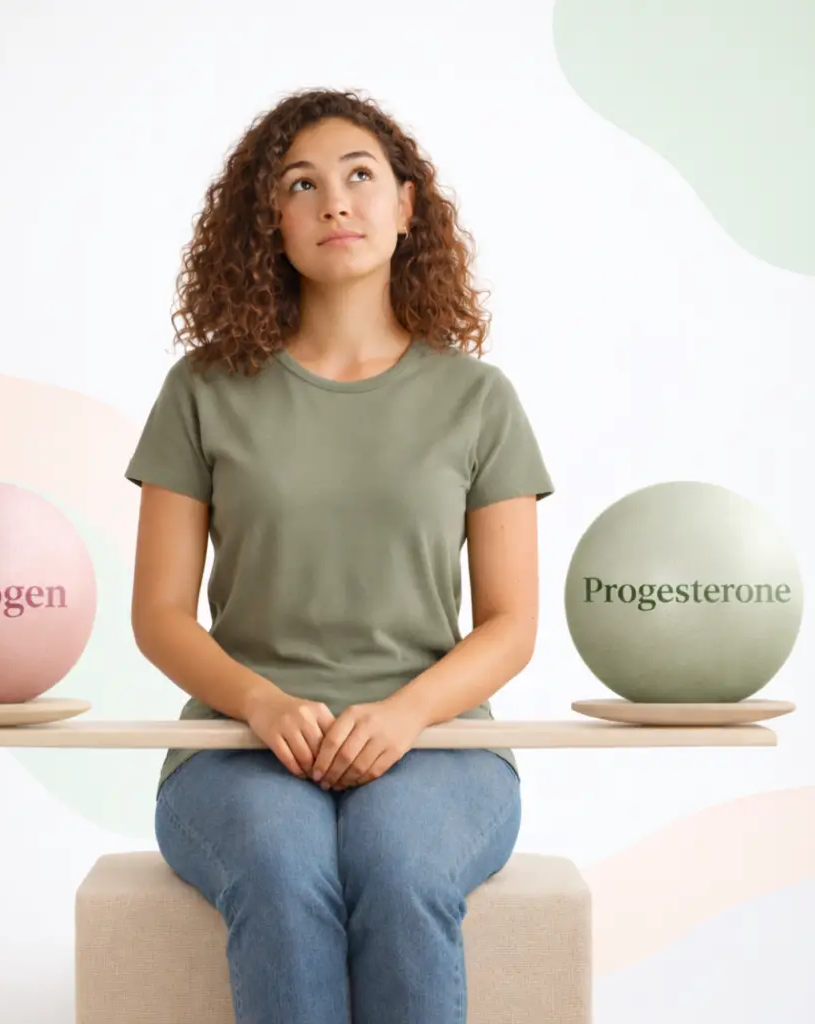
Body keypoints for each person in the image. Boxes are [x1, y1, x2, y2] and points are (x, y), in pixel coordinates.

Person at [125, 87, 555, 1024]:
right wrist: (261, 701)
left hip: (440, 737)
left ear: (407, 207)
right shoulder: (203, 390)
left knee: (399, 870)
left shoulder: (479, 400)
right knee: (281, 872)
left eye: (361, 176)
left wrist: (403, 716)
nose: (336, 202)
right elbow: (158, 614)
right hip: (235, 740)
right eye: (302, 184)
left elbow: (513, 623)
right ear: (268, 224)